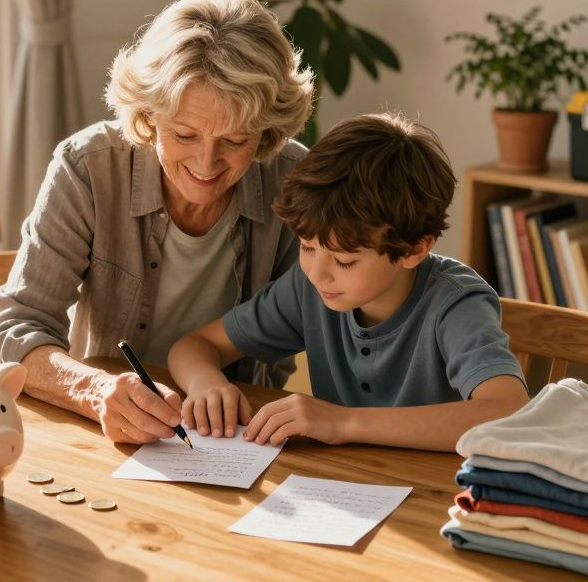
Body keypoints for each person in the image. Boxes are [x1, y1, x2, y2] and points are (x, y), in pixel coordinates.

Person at [0, 0, 314, 445]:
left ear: (267, 131)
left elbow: (286, 338)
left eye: (236, 141)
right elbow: (11, 329)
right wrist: (94, 390)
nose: (206, 162)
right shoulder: (88, 168)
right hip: (102, 431)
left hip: (229, 442)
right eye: (184, 134)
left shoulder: (291, 179)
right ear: (149, 115)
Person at [167, 113, 529, 453]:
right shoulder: (309, 287)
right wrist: (206, 383)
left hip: (441, 500)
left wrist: (345, 422)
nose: (318, 272)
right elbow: (194, 346)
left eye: (344, 260)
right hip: (346, 489)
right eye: (307, 246)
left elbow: (507, 412)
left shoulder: (455, 304)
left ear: (414, 249)